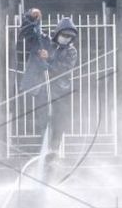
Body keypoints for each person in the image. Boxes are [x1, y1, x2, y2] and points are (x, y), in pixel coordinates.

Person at [18, 8, 78, 154]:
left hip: (61, 91)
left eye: (69, 37)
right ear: (58, 33)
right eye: (64, 35)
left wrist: (49, 60)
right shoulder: (44, 41)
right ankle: (42, 152)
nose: (66, 38)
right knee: (43, 122)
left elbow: (63, 70)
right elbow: (27, 31)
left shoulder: (71, 51)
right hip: (43, 90)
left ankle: (54, 152)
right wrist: (31, 15)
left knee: (60, 122)